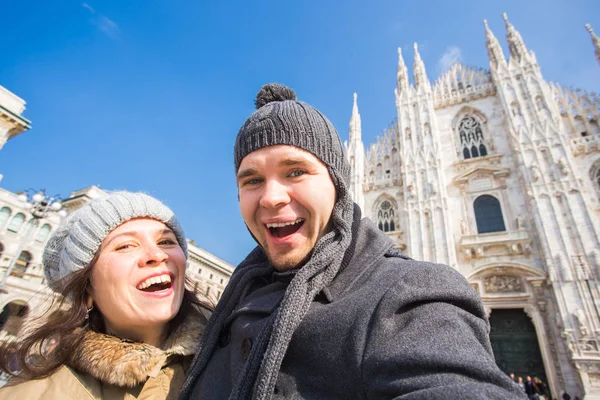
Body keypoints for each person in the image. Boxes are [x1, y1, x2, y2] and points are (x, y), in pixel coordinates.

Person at [180, 83, 526, 399]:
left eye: (296, 171)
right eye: (252, 179)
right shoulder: (233, 298)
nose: (271, 197)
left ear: (339, 185)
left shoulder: (406, 295)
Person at [0, 192, 211, 399]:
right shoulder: (27, 394)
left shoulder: (232, 359)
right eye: (125, 246)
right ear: (87, 290)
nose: (157, 255)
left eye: (166, 242)